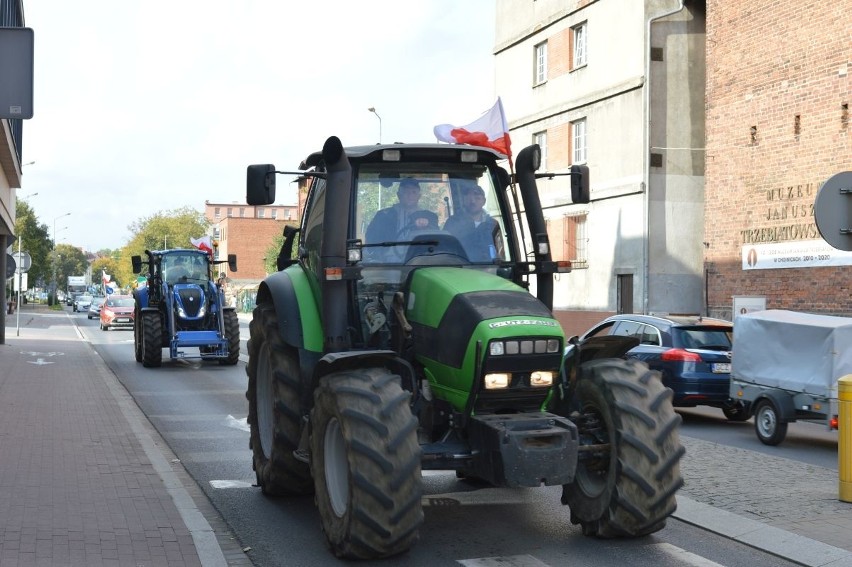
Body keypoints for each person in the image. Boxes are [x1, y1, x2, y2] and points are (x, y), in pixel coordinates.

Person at [365, 178, 438, 260]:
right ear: (398, 195)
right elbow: (371, 239)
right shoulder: (383, 216)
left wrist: (427, 225)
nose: (410, 195)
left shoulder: (429, 216)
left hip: (420, 258)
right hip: (389, 262)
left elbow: (436, 236)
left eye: (414, 192)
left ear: (419, 196)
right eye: (406, 192)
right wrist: (381, 255)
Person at [443, 184, 499, 262]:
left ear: (484, 201)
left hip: (489, 268)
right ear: (463, 200)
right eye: (469, 198)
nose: (473, 201)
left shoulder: (493, 224)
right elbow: (445, 250)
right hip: (460, 268)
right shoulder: (453, 222)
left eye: (477, 198)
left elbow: (499, 250)